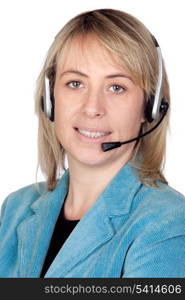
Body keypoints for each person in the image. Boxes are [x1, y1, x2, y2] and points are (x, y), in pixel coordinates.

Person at [0, 8, 185, 278]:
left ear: (151, 107)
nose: (92, 108)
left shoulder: (168, 224)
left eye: (116, 87)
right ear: (50, 100)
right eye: (75, 83)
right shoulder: (15, 209)